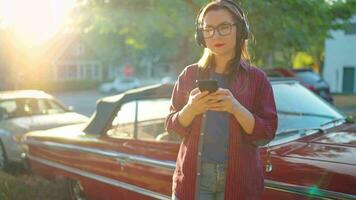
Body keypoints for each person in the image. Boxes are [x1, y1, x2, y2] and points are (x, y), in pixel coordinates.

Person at [165, 0, 278, 200]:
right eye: (208, 29)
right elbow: (172, 130)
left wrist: (236, 108)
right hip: (193, 182)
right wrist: (190, 109)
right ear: (201, 35)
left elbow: (266, 133)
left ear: (241, 30)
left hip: (240, 182)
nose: (215, 35)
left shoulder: (257, 79)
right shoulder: (189, 75)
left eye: (224, 27)